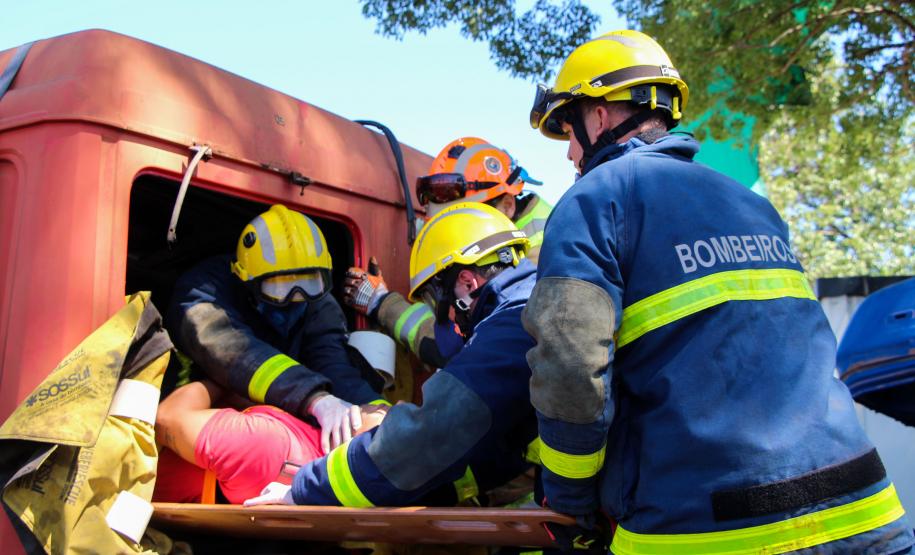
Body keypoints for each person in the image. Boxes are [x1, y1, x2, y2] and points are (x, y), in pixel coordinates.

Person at [522, 29, 914, 553]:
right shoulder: (748, 203)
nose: (570, 152)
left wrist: (569, 498)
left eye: (568, 129)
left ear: (599, 115)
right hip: (868, 512)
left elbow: (570, 367)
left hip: (708, 528)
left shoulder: (594, 199)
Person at [244, 202, 543, 512]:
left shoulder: (511, 328)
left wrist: (305, 490)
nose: (445, 315)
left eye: (435, 300)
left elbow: (430, 436)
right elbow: (493, 447)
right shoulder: (531, 306)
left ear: (467, 283)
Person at [167, 204, 385, 455]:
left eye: (307, 283)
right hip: (199, 418)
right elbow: (235, 354)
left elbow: (333, 364)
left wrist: (381, 411)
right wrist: (315, 399)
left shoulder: (317, 301)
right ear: (247, 280)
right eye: (280, 288)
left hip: (275, 423)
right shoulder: (201, 293)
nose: (296, 296)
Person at [343, 138, 552, 368]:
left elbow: (461, 347)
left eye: (467, 217)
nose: (459, 229)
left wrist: (382, 303)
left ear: (507, 204)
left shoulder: (547, 250)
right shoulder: (500, 241)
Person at [153, 380, 387, 504]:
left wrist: (226, 378)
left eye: (390, 422)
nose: (393, 406)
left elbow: (165, 419)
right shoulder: (317, 472)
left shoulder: (268, 445)